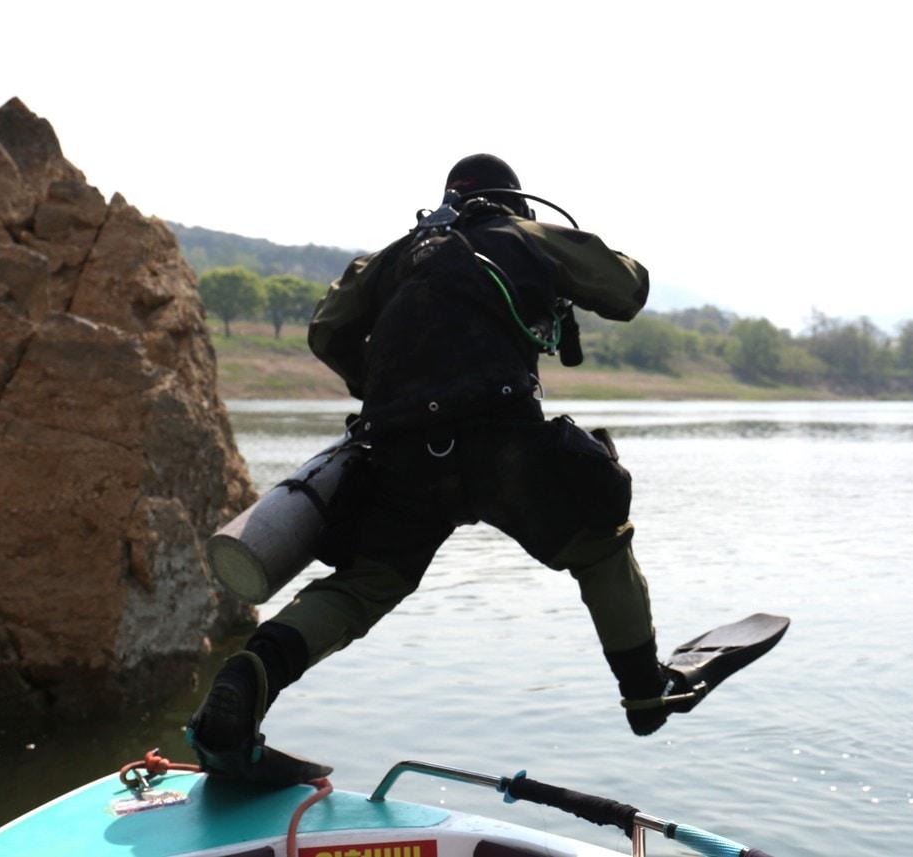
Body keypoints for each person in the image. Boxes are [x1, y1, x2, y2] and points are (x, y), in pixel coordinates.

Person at [187, 155, 690, 779]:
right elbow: (628, 290)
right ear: (515, 201)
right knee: (599, 549)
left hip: (398, 447)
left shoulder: (396, 257)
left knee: (363, 584)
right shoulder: (522, 234)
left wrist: (380, 386)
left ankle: (249, 676)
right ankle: (646, 695)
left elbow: (325, 331)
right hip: (502, 433)